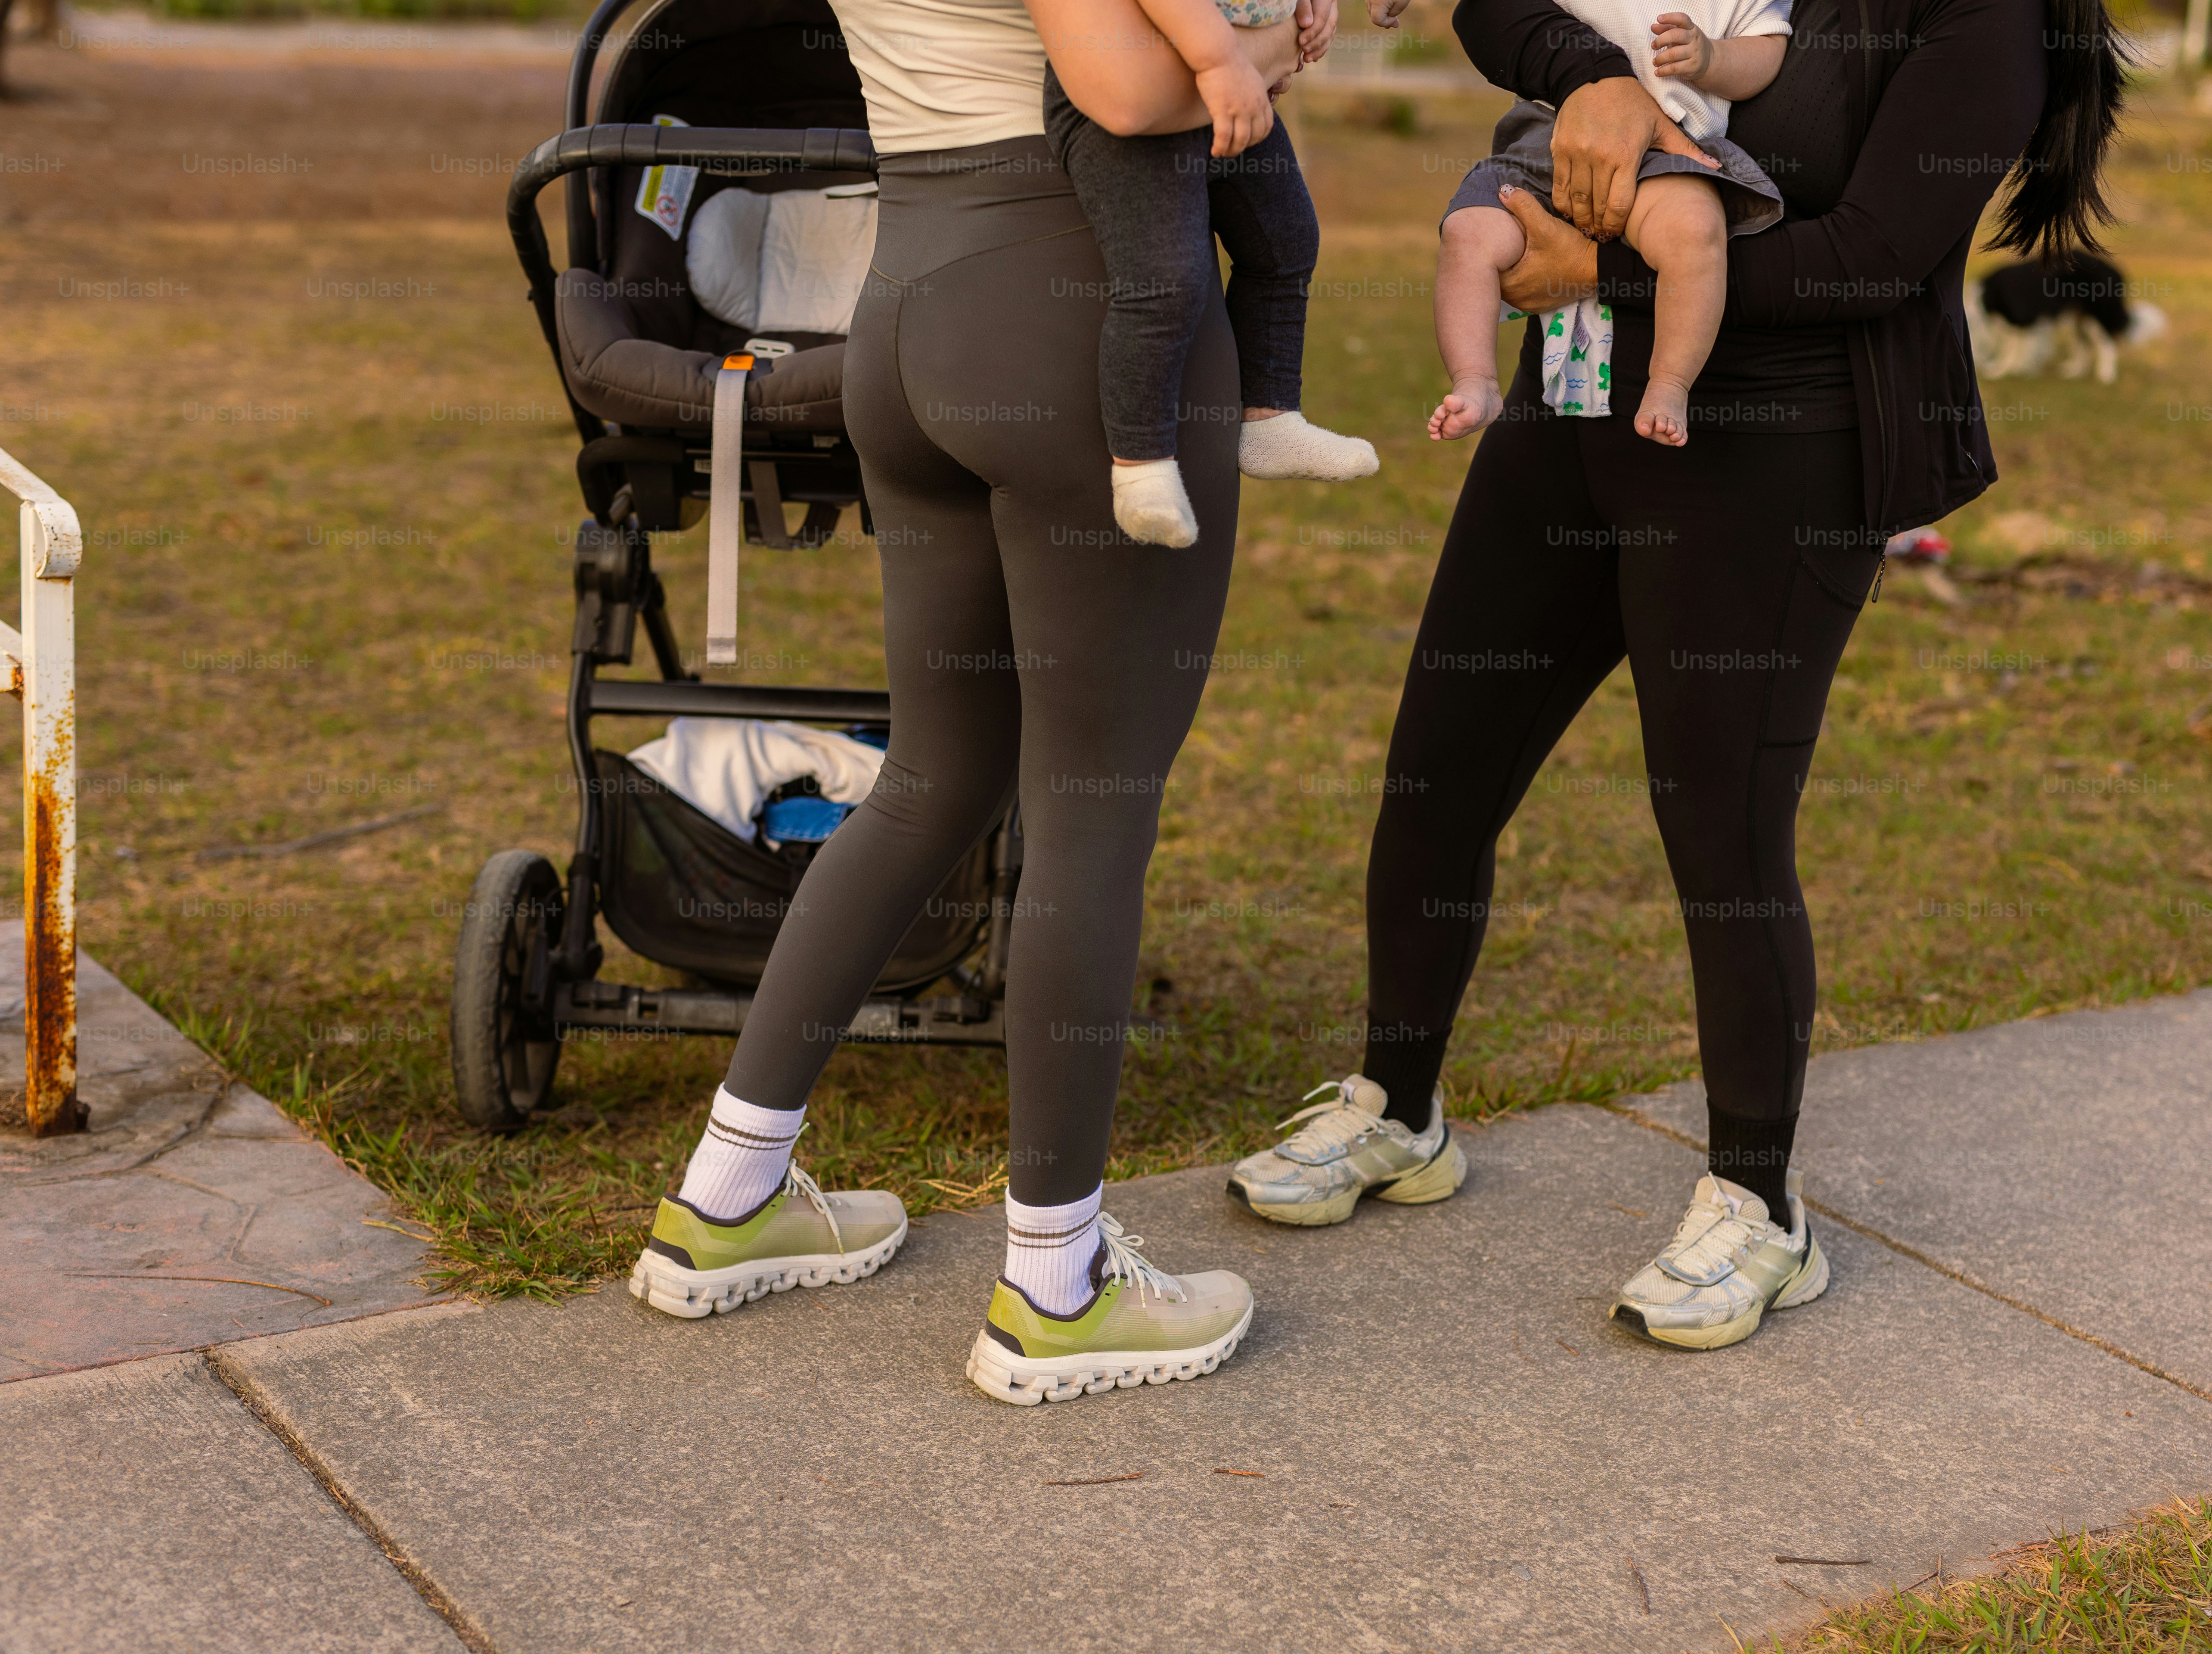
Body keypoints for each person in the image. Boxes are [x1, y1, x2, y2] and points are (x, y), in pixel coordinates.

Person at [1231, 0, 2128, 1351]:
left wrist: (1604, 273)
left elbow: (1872, 256)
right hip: (1581, 399)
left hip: (1781, 445)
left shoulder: (1981, 19)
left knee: (1719, 827)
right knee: (1441, 766)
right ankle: (1399, 1110)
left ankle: (1761, 1207)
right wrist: (1592, 79)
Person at [630, 0, 1309, 1406]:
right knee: (1091, 819)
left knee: (933, 781)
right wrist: (1281, 48)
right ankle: (1059, 1288)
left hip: (913, 306)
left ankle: (731, 1193)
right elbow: (1124, 92)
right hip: (1066, 311)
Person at [1047, 0, 1379, 547]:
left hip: (1234, 87)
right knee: (1165, 280)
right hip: (1151, 91)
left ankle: (1271, 417)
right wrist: (1225, 61)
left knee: (1286, 243)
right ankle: (1141, 467)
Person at [1430, 0, 1791, 445]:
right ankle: (1476, 380)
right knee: (1470, 230)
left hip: (1667, 150)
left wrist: (1714, 59)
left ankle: (1669, 384)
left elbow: (1767, 51)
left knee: (1694, 233)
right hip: (1550, 130)